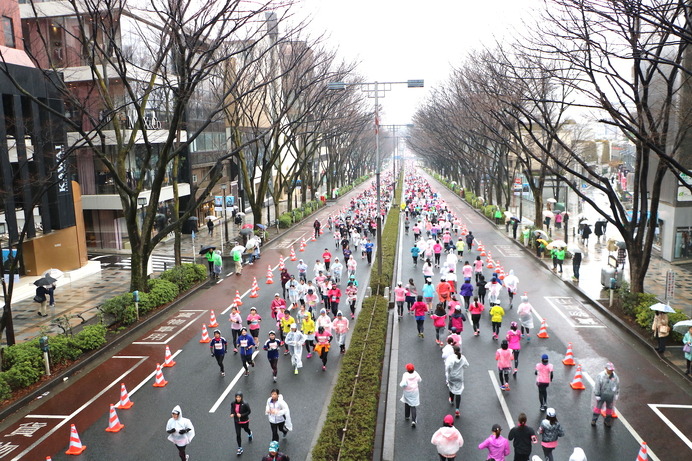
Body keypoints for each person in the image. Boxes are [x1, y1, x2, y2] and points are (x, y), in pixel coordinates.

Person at [591, 362, 619, 427]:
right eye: (609, 369)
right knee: (598, 408)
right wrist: (597, 394)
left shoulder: (615, 377)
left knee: (609, 409)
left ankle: (607, 421)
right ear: (606, 368)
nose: (611, 371)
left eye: (612, 370)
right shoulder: (601, 376)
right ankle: (594, 420)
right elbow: (597, 385)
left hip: (610, 396)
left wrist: (616, 393)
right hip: (601, 395)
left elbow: (617, 386)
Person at [445, 345, 469, 418]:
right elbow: (466, 365)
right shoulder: (463, 357)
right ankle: (457, 409)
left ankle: (451, 400)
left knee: (451, 388)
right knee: (458, 392)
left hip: (452, 376)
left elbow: (448, 367)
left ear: (454, 351)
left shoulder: (451, 358)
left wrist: (449, 373)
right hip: (459, 377)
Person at [400, 363, 422, 427]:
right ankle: (413, 420)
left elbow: (403, 383)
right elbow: (420, 380)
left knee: (407, 402)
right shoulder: (416, 374)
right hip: (415, 391)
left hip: (407, 391)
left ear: (407, 369)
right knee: (413, 405)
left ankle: (407, 416)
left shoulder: (405, 375)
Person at [230, 391, 252, 456]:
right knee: (238, 434)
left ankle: (250, 433)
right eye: (237, 397)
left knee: (246, 429)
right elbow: (232, 409)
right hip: (237, 421)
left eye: (239, 397)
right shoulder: (233, 403)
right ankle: (240, 448)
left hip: (244, 420)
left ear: (241, 397)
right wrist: (232, 414)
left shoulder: (245, 404)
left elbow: (249, 411)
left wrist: (242, 415)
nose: (238, 398)